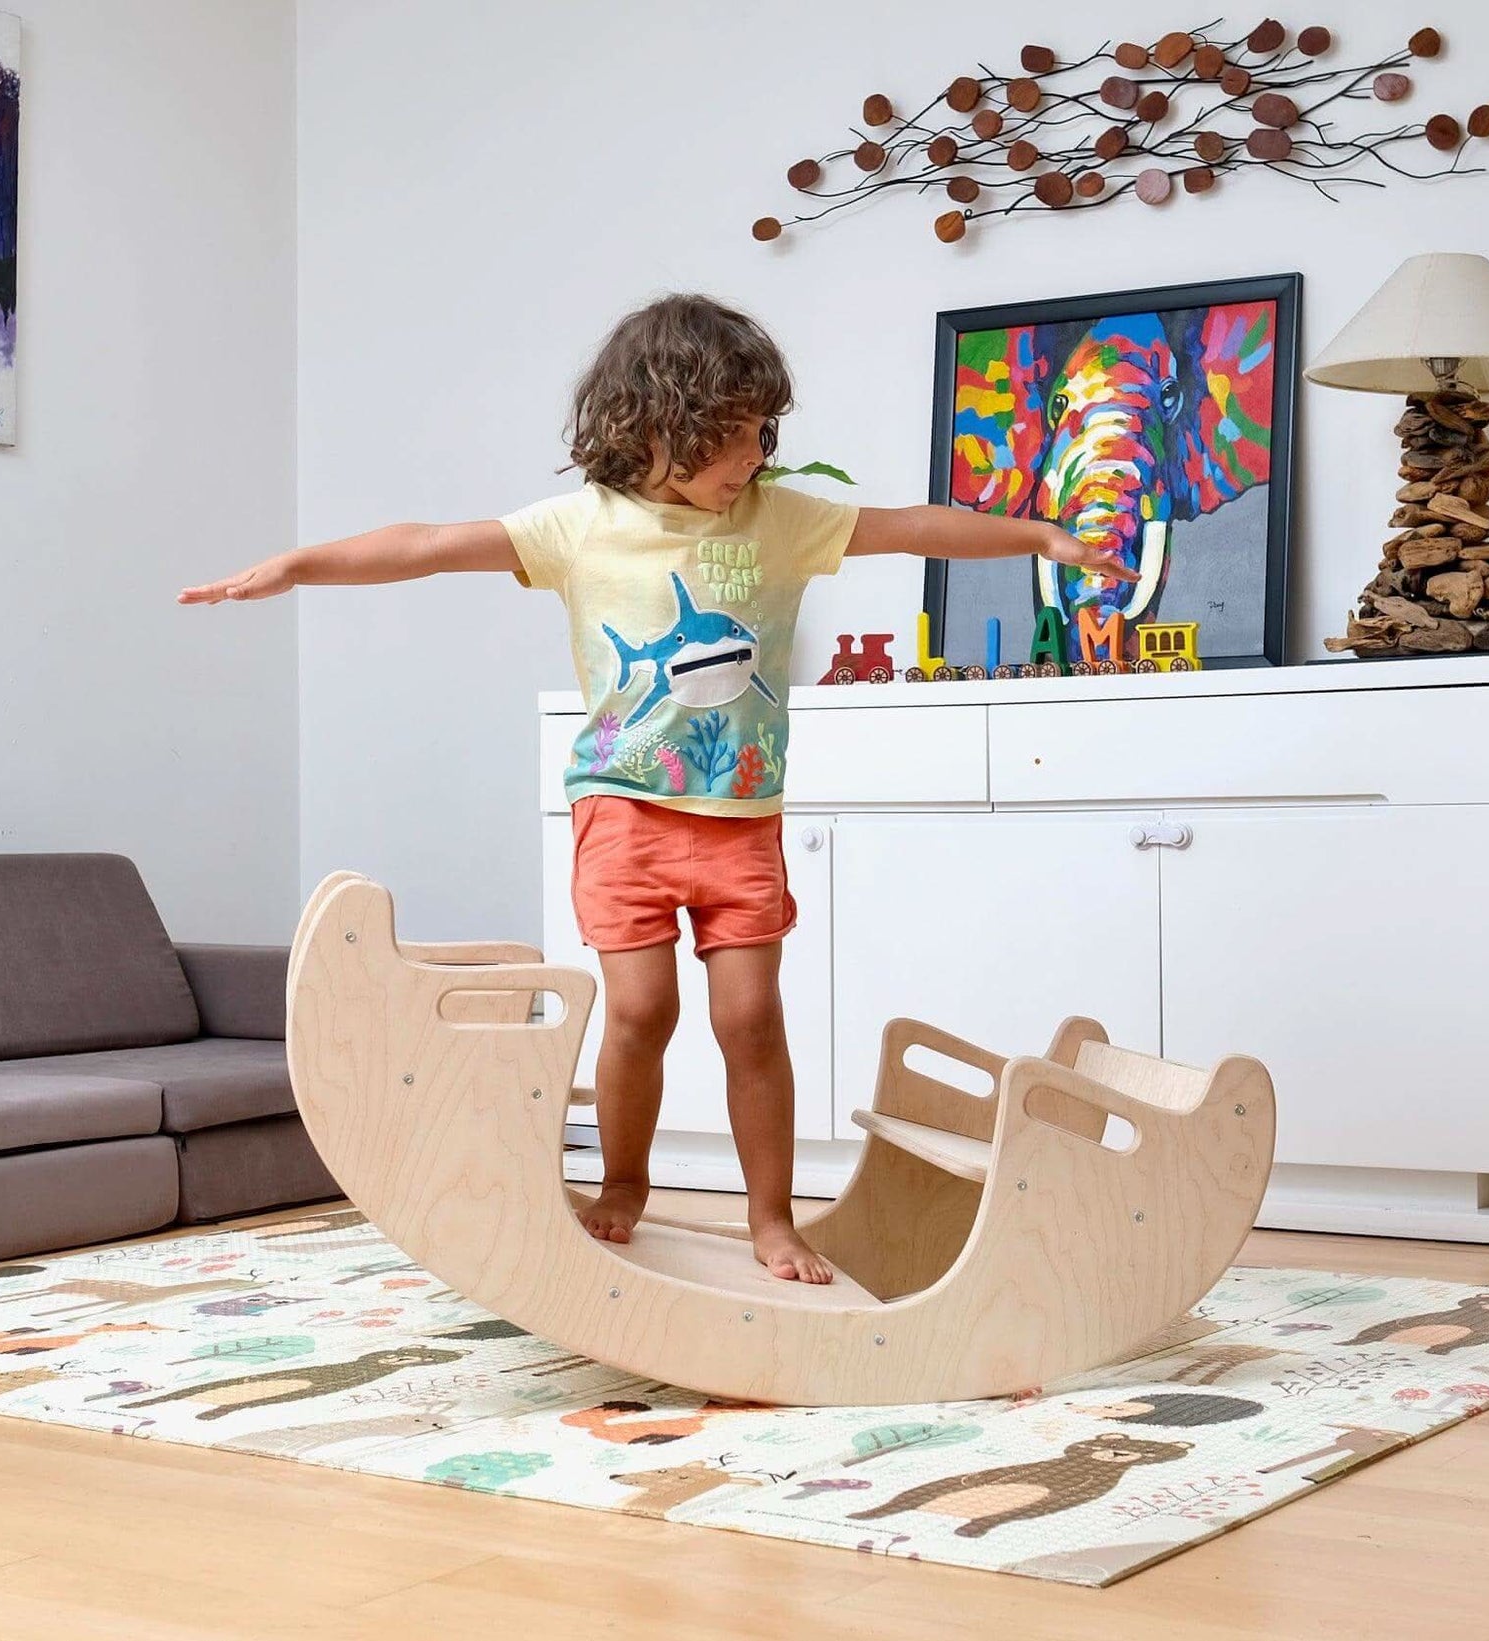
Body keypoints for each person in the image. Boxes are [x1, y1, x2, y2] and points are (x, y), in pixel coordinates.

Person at [180, 293, 1132, 1283]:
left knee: (749, 1019)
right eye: (732, 436)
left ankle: (773, 1217)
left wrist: (1037, 537)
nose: (754, 456)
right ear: (657, 428)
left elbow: (910, 527)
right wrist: (297, 566)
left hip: (740, 818)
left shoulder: (783, 520)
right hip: (622, 808)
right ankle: (624, 1183)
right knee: (640, 1011)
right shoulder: (580, 527)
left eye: (762, 433)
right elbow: (427, 544)